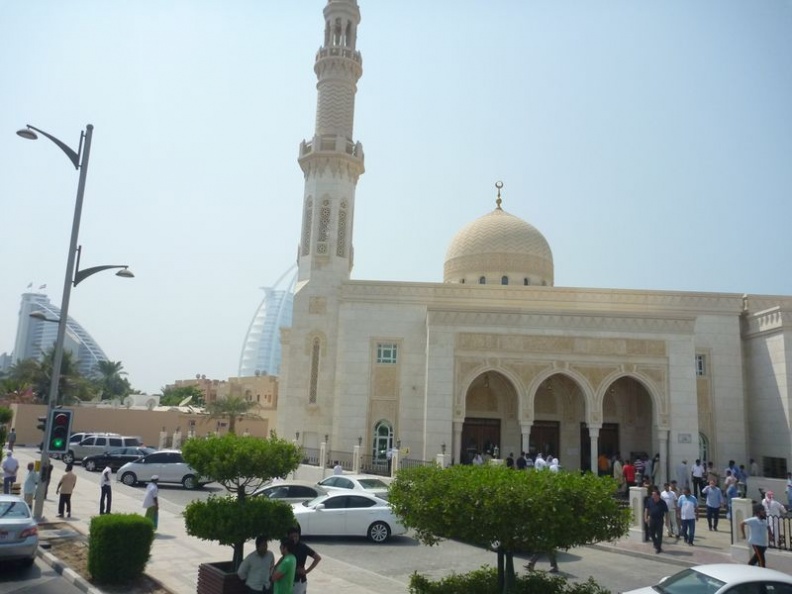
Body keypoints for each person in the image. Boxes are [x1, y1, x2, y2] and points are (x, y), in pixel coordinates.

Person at [288, 526, 321, 594]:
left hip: (299, 581)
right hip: (288, 579)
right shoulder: (287, 546)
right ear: (289, 537)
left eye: (296, 536)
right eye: (292, 537)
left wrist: (306, 571)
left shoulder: (303, 547)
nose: (294, 539)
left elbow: (317, 558)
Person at [644, 488, 668, 553]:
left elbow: (666, 512)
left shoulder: (663, 502)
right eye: (652, 495)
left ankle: (659, 548)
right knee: (651, 533)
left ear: (658, 495)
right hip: (652, 519)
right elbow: (646, 509)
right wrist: (645, 518)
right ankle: (655, 543)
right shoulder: (650, 501)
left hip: (659, 520)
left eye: (654, 495)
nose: (652, 496)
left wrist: (667, 521)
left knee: (659, 534)